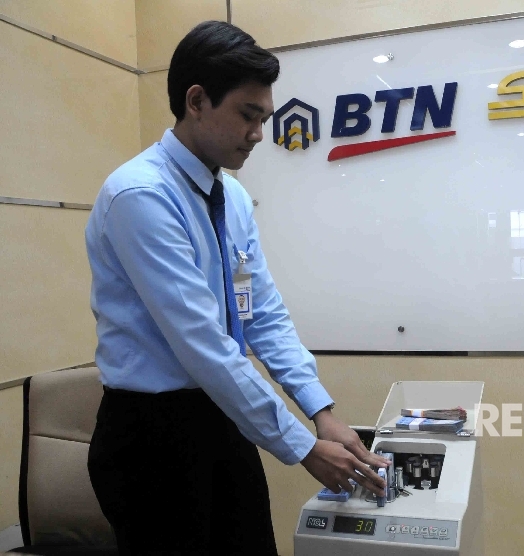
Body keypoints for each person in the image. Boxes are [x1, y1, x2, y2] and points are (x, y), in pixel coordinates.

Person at [85, 20, 388, 554]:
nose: (258, 134)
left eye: (265, 118)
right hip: (152, 440)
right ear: (196, 100)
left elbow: (262, 314)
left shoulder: (235, 198)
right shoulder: (141, 197)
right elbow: (204, 346)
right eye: (248, 115)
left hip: (223, 418)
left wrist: (321, 413)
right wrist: (302, 447)